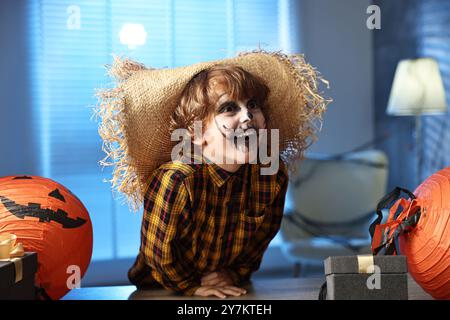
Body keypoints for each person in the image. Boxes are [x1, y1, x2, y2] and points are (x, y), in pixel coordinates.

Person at [96, 51, 330, 298]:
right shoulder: (177, 180)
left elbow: (260, 240)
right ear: (197, 134)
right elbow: (159, 255)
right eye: (229, 108)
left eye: (252, 105)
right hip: (163, 289)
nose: (247, 116)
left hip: (227, 287)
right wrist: (192, 286)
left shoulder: (270, 175)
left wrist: (234, 273)